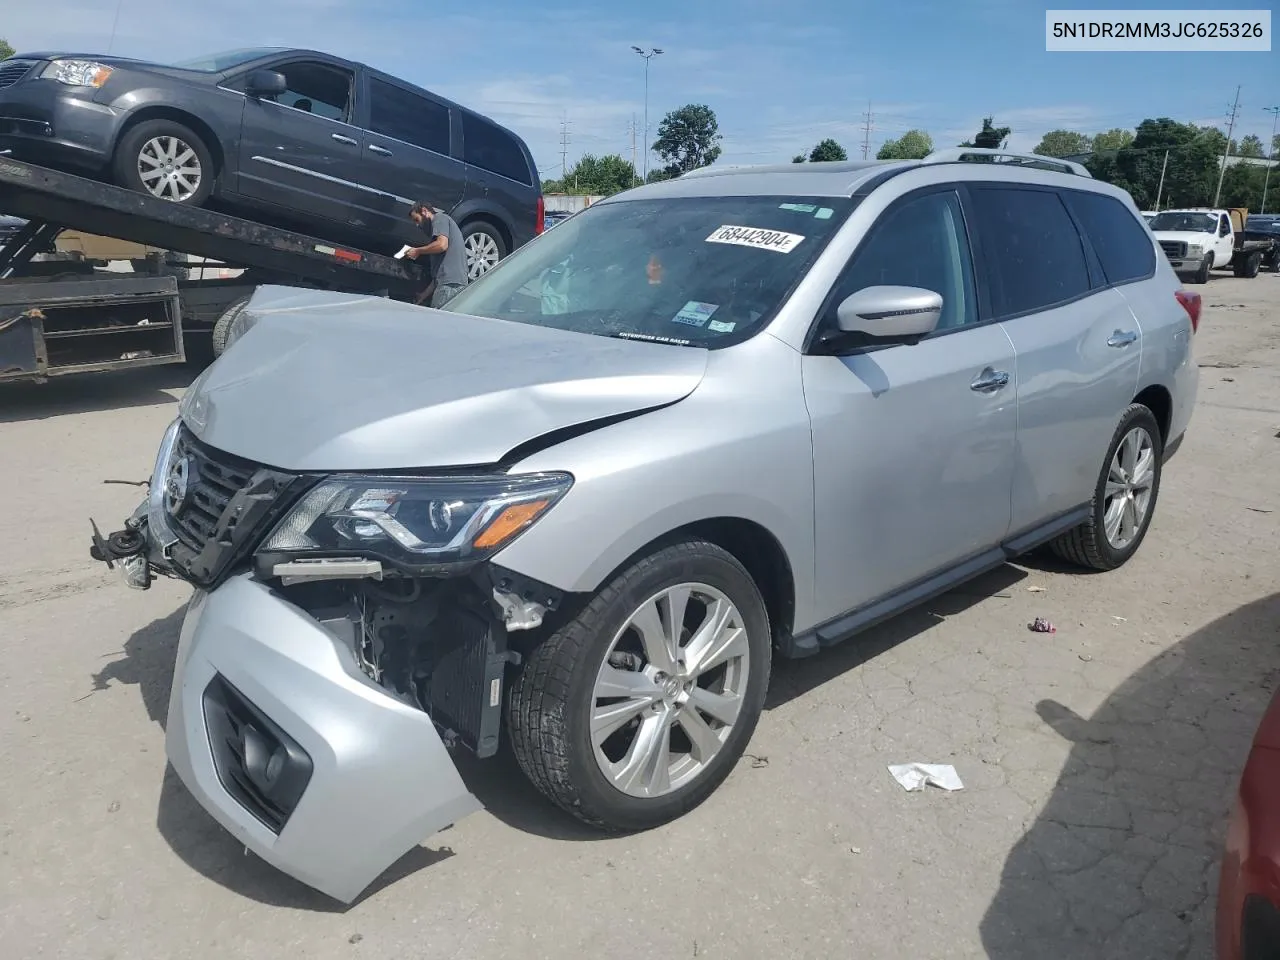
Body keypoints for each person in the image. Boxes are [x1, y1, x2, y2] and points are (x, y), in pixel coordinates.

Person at [405, 202, 469, 308]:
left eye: (417, 220)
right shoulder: (437, 237)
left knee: (438, 322)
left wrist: (418, 251)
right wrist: (423, 295)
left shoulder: (440, 218)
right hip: (451, 285)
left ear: (424, 211)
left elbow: (442, 245)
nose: (417, 225)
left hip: (449, 287)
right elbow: (438, 278)